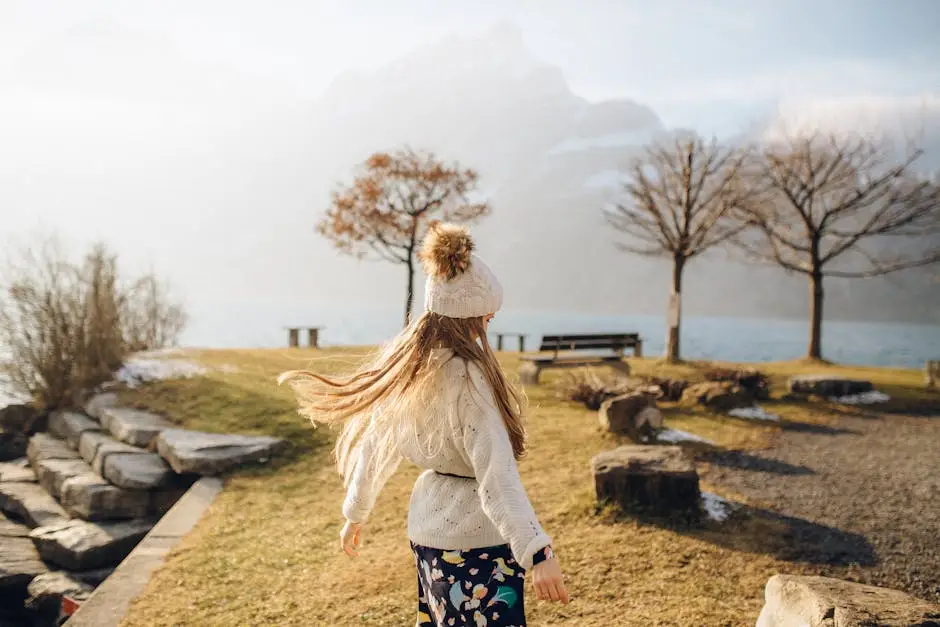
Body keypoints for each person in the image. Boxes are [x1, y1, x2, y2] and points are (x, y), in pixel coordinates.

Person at [279, 222, 569, 626]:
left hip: (429, 540)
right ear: (474, 317)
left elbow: (374, 449)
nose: (488, 327)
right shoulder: (470, 382)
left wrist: (355, 513)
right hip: (478, 547)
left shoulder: (410, 373)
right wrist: (538, 552)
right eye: (488, 319)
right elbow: (496, 476)